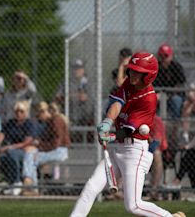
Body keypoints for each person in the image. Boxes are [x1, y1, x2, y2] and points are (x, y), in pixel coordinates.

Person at [70, 52, 185, 217]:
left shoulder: (149, 99)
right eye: (132, 70)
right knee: (91, 186)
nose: (132, 74)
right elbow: (117, 104)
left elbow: (127, 130)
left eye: (138, 72)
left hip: (135, 152)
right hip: (120, 149)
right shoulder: (128, 84)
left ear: (148, 75)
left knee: (133, 206)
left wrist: (110, 136)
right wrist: (107, 122)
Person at [22, 102, 71, 196]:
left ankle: (30, 184)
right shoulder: (50, 122)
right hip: (53, 150)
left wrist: (40, 146)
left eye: (39, 114)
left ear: (45, 112)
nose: (38, 117)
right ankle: (31, 186)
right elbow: (47, 141)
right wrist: (38, 145)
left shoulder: (56, 120)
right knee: (30, 153)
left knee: (32, 157)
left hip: (59, 151)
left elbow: (56, 144)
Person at [0, 101, 37, 196]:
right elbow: (1, 136)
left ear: (26, 112)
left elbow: (27, 142)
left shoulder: (29, 124)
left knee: (13, 154)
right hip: (11, 149)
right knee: (2, 158)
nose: (18, 114)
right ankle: (11, 183)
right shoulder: (10, 123)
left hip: (25, 150)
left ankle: (17, 182)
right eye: (16, 111)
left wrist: (10, 147)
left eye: (21, 111)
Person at [54, 59, 93, 127]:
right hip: (69, 115)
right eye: (75, 68)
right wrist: (74, 96)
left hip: (85, 116)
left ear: (83, 70)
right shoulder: (65, 82)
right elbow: (58, 96)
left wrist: (69, 96)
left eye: (79, 68)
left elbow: (83, 97)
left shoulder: (88, 82)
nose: (77, 71)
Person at [153, 43, 186, 120]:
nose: (163, 58)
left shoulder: (176, 67)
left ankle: (175, 129)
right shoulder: (155, 68)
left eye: (166, 56)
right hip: (158, 95)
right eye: (161, 56)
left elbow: (180, 85)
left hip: (174, 95)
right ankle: (152, 127)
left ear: (171, 56)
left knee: (176, 100)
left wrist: (167, 95)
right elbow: (150, 85)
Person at [148, 115, 169, 201]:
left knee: (156, 154)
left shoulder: (156, 120)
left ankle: (154, 190)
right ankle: (119, 191)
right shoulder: (136, 119)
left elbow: (156, 143)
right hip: (140, 149)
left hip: (159, 151)